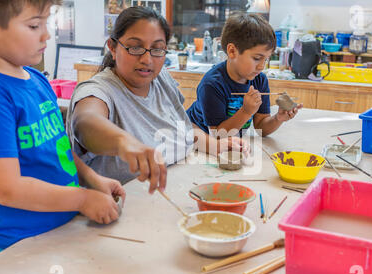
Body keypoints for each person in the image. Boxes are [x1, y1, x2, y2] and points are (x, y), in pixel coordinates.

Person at [0, 0, 125, 261]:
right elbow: (6, 188)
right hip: (14, 247)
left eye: (46, 22)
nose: (46, 34)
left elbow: (59, 148)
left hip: (60, 231)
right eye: (34, 25)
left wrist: (91, 178)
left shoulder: (37, 80)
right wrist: (82, 199)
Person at [66, 6, 247, 192]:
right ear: (112, 48)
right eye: (135, 47)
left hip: (180, 186)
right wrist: (123, 142)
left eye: (157, 49)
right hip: (127, 205)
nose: (147, 59)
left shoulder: (160, 79)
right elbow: (85, 122)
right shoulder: (99, 91)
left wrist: (215, 145)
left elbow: (182, 128)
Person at [186, 12, 302, 138]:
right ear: (232, 51)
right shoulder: (212, 84)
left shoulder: (259, 80)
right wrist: (246, 111)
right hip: (195, 140)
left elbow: (261, 126)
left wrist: (278, 119)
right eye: (257, 58)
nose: (261, 66)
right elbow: (218, 136)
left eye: (266, 59)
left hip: (227, 144)